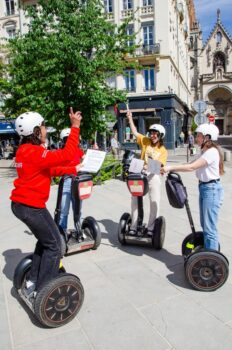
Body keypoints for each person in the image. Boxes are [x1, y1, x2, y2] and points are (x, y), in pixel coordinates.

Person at [10, 108, 82, 299]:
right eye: (43, 126)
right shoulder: (34, 152)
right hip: (31, 206)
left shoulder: (24, 151)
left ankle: (33, 281)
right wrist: (75, 126)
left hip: (23, 205)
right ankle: (42, 288)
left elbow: (47, 171)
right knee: (55, 246)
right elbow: (67, 153)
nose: (45, 130)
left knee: (46, 241)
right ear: (35, 131)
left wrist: (73, 169)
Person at [161, 123, 224, 251]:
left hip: (211, 189)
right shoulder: (204, 151)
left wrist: (171, 167)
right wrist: (163, 168)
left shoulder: (211, 152)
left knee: (209, 227)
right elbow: (188, 164)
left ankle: (211, 258)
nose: (196, 137)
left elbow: (191, 167)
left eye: (199, 135)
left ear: (207, 137)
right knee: (205, 223)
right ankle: (208, 251)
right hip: (205, 188)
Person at [126, 110, 168, 235]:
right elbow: (134, 132)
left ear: (161, 136)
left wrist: (146, 166)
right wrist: (130, 118)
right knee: (134, 200)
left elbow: (159, 166)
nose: (153, 135)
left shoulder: (163, 150)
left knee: (154, 201)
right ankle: (133, 226)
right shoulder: (145, 141)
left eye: (156, 134)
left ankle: (150, 228)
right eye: (152, 133)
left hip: (153, 176)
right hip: (139, 175)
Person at [58, 128, 85, 232]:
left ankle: (79, 231)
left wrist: (94, 153)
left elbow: (86, 159)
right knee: (63, 210)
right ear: (64, 140)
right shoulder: (61, 152)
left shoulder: (78, 150)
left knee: (78, 210)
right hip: (66, 181)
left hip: (77, 181)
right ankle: (62, 232)